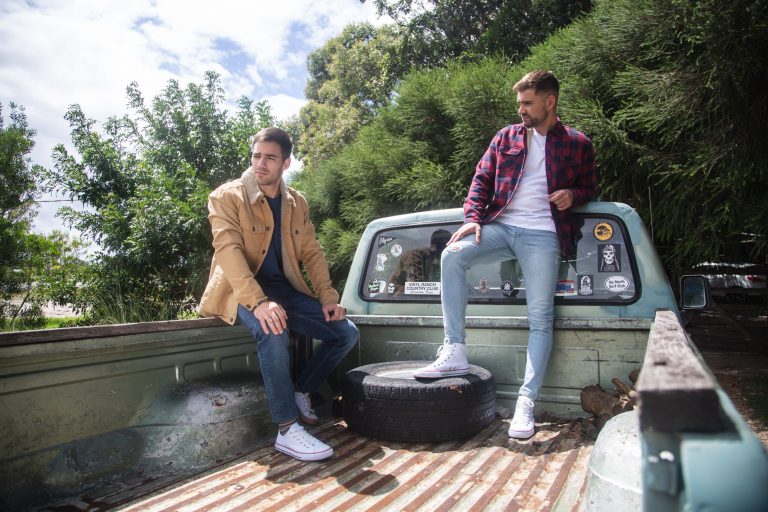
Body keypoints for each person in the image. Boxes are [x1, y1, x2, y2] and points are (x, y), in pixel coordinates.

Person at [413, 70, 597, 439]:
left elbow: (589, 186)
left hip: (543, 233)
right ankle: (455, 349)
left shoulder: (578, 143)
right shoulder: (506, 137)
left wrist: (572, 195)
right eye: (519, 103)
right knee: (452, 256)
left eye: (528, 103)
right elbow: (481, 180)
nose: (521, 110)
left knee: (541, 318)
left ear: (550, 102)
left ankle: (526, 403)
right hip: (500, 225)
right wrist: (472, 219)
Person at [199, 127, 358, 462]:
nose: (260, 163)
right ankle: (286, 428)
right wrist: (258, 302)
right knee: (272, 328)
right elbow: (228, 251)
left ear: (286, 163)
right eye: (256, 156)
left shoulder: (296, 202)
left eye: (270, 158)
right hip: (239, 291)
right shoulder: (226, 197)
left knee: (345, 332)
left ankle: (302, 389)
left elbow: (311, 252)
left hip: (284, 291)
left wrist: (328, 297)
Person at [389, 229, 451, 294]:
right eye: (446, 247)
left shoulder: (432, 257)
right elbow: (417, 287)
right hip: (400, 295)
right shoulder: (415, 256)